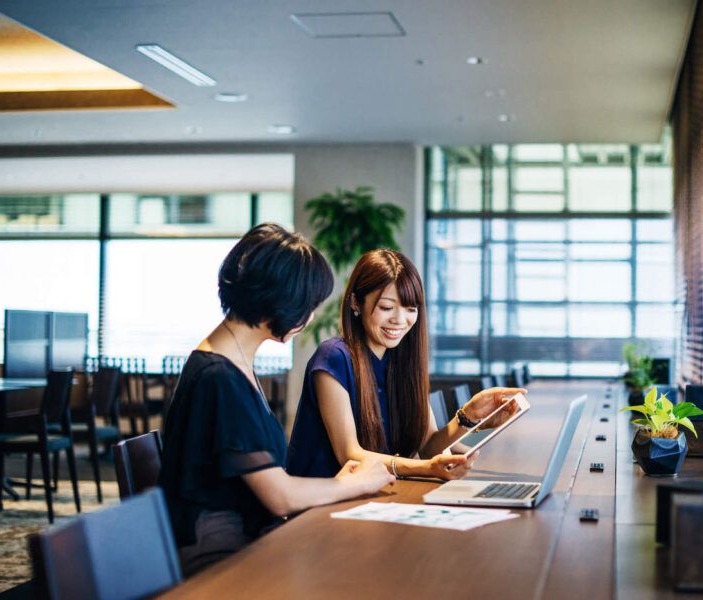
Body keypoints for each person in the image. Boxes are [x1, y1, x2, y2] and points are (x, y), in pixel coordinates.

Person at [159, 224, 394, 576]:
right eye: (309, 305)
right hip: (221, 555)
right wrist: (357, 482)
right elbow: (279, 496)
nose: (311, 316)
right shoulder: (219, 377)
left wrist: (340, 484)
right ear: (283, 301)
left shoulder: (230, 361)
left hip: (248, 536)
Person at [288, 248, 525, 480]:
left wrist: (468, 416)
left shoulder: (402, 361)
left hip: (375, 497)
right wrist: (426, 469)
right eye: (386, 307)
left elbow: (429, 447)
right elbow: (350, 455)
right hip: (321, 506)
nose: (399, 320)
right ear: (355, 303)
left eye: (410, 309)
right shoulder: (334, 357)